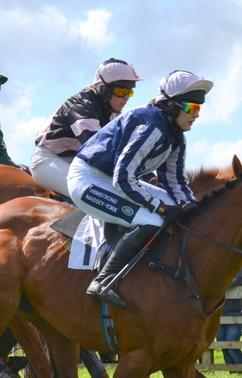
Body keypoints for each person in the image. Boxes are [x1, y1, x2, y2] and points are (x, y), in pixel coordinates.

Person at [67, 70, 212, 309]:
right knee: (153, 220)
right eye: (191, 108)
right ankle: (103, 281)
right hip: (87, 181)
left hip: (109, 179)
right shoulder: (151, 126)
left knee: (177, 208)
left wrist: (191, 206)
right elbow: (122, 178)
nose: (196, 115)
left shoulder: (175, 135)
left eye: (198, 109)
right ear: (169, 104)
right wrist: (160, 208)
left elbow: (174, 179)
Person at [32, 58, 142, 196]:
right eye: (121, 91)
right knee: (103, 197)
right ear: (103, 87)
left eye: (130, 92)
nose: (126, 97)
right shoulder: (81, 105)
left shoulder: (112, 111)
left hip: (79, 165)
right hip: (50, 162)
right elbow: (97, 149)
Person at [218, 268, 242, 367]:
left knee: (232, 346)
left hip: (234, 314)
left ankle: (241, 368)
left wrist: (223, 285)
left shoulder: (239, 265)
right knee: (223, 347)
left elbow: (241, 278)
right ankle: (233, 371)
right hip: (219, 315)